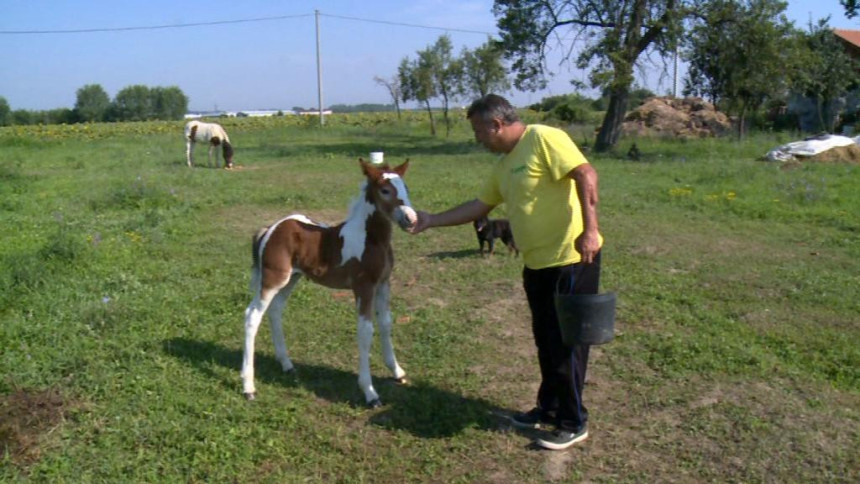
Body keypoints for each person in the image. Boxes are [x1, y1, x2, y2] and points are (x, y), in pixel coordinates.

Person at [409, 94, 603, 450]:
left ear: (496, 124)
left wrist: (590, 231)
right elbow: (479, 206)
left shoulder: (544, 138)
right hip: (536, 264)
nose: (477, 138)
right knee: (546, 340)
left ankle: (574, 421)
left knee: (568, 344)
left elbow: (585, 173)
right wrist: (431, 220)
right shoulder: (504, 164)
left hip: (572, 259)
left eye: (478, 130)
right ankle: (549, 408)